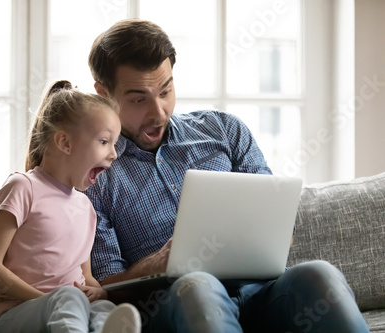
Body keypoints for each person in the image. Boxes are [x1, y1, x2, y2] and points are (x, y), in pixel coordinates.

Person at [84, 19, 371, 333]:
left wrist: (269, 233)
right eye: (138, 99)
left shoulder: (224, 131)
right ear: (104, 92)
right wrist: (151, 266)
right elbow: (105, 287)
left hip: (262, 293)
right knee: (198, 285)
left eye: (166, 90)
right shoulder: (95, 174)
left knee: (319, 274)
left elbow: (280, 230)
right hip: (175, 304)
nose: (159, 112)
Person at [0, 80, 141, 333]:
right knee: (68, 298)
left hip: (64, 308)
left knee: (104, 310)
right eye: (104, 141)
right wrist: (44, 299)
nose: (114, 154)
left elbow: (85, 276)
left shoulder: (86, 208)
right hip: (12, 314)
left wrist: (97, 292)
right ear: (65, 143)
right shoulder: (24, 187)